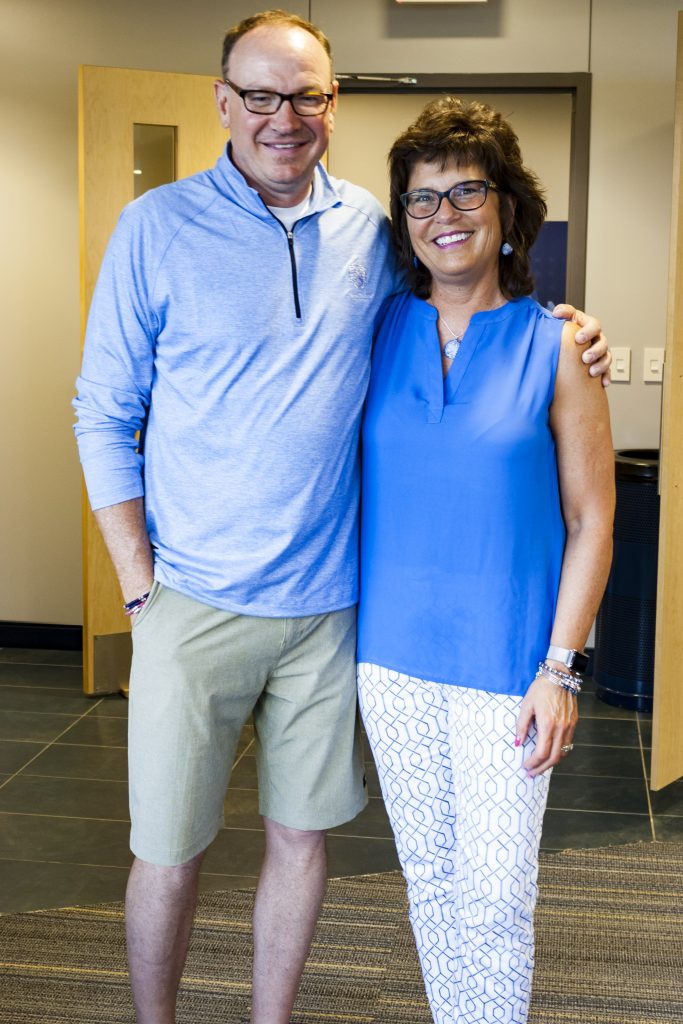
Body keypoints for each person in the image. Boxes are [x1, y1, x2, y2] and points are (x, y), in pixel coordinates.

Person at [73, 10, 610, 1024]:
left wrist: (569, 329)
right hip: (217, 603)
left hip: (341, 616)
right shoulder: (165, 231)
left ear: (333, 102)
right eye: (262, 94)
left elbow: (577, 493)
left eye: (308, 94)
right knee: (171, 847)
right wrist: (138, 582)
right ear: (223, 100)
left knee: (336, 848)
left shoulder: (374, 231)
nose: (285, 116)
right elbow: (102, 412)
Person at [356, 95, 616, 1024]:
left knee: (497, 895)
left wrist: (561, 670)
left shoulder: (559, 346)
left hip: (509, 666)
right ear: (402, 222)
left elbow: (592, 521)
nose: (445, 217)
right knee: (428, 881)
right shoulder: (375, 331)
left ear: (507, 208)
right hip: (387, 661)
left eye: (468, 192)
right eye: (421, 200)